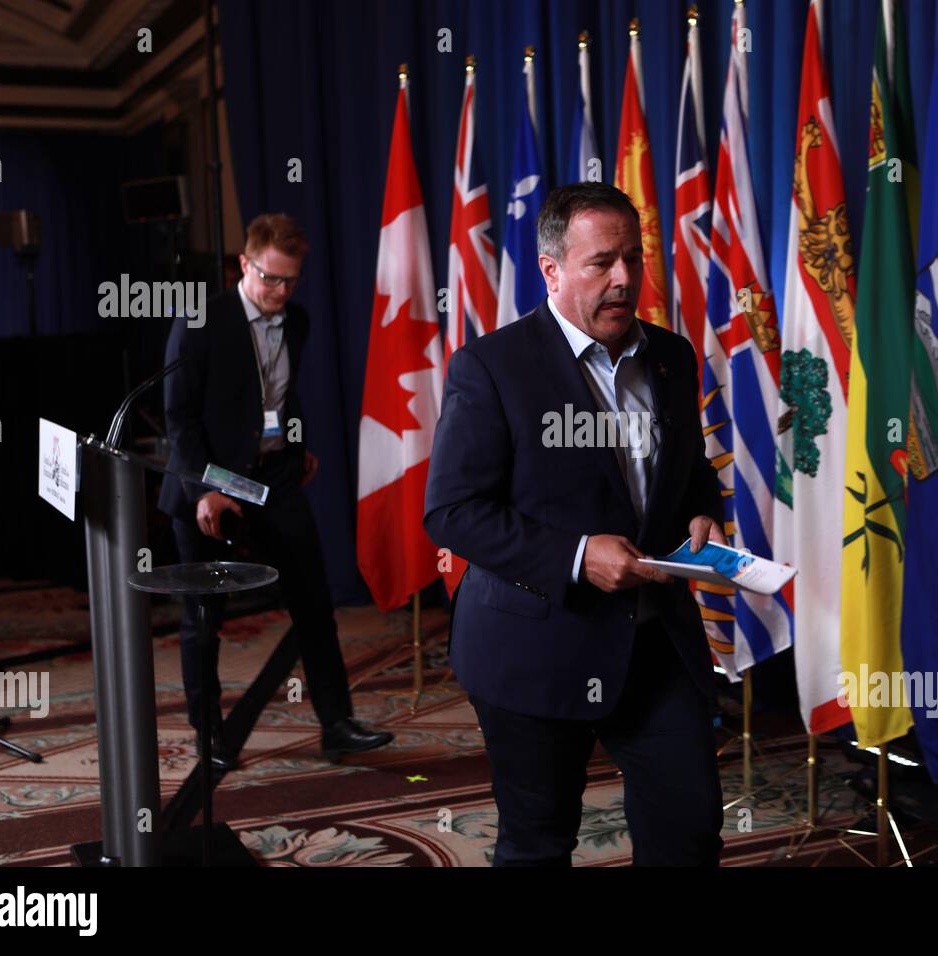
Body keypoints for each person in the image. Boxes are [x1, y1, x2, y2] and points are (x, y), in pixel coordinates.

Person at [424, 182, 727, 866]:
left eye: (634, 258)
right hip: (533, 646)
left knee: (689, 830)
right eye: (601, 263)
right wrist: (576, 555)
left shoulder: (672, 358)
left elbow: (690, 470)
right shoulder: (492, 368)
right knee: (538, 845)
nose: (624, 279)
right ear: (552, 270)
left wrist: (704, 511)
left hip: (654, 642)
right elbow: (451, 512)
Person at [160, 213, 393, 769]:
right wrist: (209, 488)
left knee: (314, 604)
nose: (280, 292)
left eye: (290, 281)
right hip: (210, 485)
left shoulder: (298, 321)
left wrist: (295, 442)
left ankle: (336, 724)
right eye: (269, 279)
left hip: (272, 478)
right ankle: (209, 733)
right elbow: (179, 418)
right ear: (245, 264)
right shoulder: (200, 320)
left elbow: (278, 395)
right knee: (204, 618)